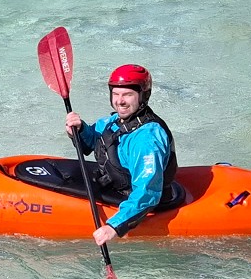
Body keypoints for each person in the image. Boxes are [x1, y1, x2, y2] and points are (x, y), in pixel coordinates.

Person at [64, 63, 179, 245]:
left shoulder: (147, 139)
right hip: (117, 185)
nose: (120, 101)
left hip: (142, 201)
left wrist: (114, 227)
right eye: (116, 94)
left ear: (143, 96)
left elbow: (147, 192)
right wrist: (79, 129)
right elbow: (93, 141)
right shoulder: (114, 121)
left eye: (127, 95)